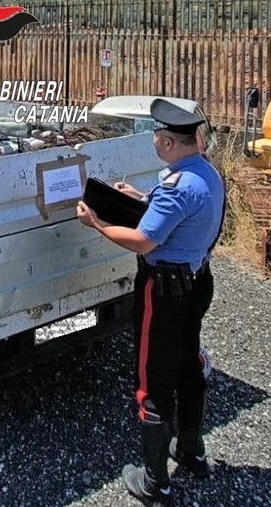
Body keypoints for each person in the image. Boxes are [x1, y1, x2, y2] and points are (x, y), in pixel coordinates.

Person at [76, 99, 225, 507]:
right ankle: (191, 450)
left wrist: (99, 223)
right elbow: (181, 216)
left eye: (158, 137)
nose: (155, 142)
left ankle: (155, 482)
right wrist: (142, 198)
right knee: (187, 361)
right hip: (197, 283)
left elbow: (144, 241)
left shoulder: (177, 189)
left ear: (168, 142)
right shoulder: (206, 174)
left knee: (151, 381)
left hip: (163, 291)